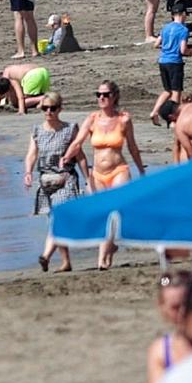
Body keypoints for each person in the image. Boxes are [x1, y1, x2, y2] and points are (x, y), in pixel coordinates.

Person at [64, 82, 145, 271]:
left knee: (114, 212)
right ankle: (110, 248)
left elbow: (132, 146)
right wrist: (66, 156)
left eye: (106, 94)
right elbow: (78, 142)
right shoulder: (92, 119)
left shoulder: (124, 120)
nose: (101, 98)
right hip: (97, 174)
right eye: (98, 94)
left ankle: (102, 259)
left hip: (119, 170)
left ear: (114, 96)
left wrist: (141, 169)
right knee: (102, 216)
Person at [25, 92, 82, 274]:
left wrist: (88, 179)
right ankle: (66, 262)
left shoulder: (70, 129)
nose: (49, 112)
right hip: (46, 182)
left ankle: (46, 255)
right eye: (45, 108)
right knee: (56, 222)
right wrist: (27, 172)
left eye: (53, 108)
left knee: (58, 220)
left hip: (66, 179)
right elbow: (32, 154)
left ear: (60, 109)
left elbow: (79, 155)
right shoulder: (37, 131)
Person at [156, 6, 192, 105]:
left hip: (163, 61)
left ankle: (155, 111)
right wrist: (190, 52)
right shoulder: (183, 30)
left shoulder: (166, 27)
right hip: (175, 62)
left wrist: (167, 48)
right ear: (183, 14)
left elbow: (156, 44)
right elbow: (183, 50)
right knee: (176, 91)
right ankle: (174, 114)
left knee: (167, 91)